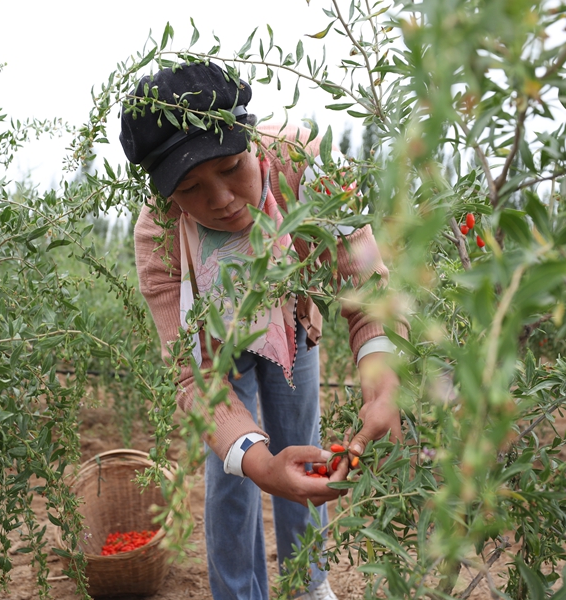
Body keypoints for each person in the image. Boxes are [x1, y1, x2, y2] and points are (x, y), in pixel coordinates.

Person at [119, 61, 407, 600]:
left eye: (231, 167)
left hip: (290, 323)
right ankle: (238, 593)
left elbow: (365, 282)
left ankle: (309, 584)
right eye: (190, 187)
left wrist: (382, 372)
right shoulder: (158, 235)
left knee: (303, 450)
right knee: (236, 473)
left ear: (252, 140)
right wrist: (255, 459)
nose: (222, 198)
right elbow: (193, 378)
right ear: (164, 194)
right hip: (216, 349)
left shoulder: (303, 163)